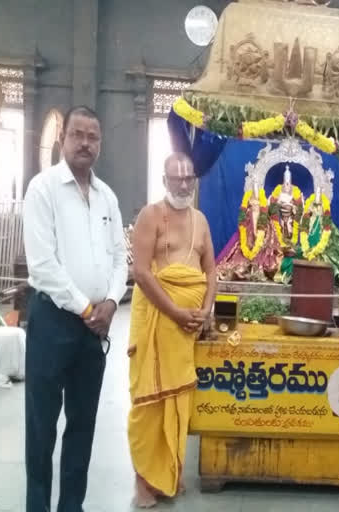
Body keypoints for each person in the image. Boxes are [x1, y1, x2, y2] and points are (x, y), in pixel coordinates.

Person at [23, 106, 128, 512]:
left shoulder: (107, 197)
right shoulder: (43, 189)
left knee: (82, 427)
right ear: (62, 139)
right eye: (77, 134)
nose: (85, 143)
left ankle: (71, 506)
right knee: (41, 427)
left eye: (93, 137)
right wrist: (89, 308)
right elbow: (43, 267)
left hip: (93, 331)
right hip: (53, 323)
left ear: (100, 144)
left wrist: (110, 302)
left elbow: (121, 259)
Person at [127, 152, 217, 507]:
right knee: (149, 404)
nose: (183, 184)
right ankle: (145, 480)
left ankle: (171, 475)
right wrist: (177, 312)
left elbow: (211, 271)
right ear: (164, 180)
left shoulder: (201, 220)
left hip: (187, 327)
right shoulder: (151, 216)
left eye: (188, 178)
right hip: (159, 321)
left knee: (179, 400)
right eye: (176, 178)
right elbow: (142, 274)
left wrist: (205, 310)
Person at [216, 181, 282, 282]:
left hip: (262, 251)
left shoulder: (265, 220)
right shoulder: (247, 217)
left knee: (270, 265)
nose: (255, 207)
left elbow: (269, 239)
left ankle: (258, 268)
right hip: (246, 250)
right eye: (253, 205)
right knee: (239, 266)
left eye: (257, 205)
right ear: (250, 205)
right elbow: (243, 236)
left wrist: (261, 240)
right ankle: (249, 268)